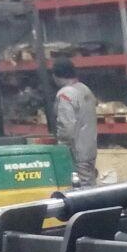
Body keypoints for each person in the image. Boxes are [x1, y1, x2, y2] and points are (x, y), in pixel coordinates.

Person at [52, 57, 98, 186]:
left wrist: (61, 150)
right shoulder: (84, 89)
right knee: (89, 184)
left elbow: (67, 127)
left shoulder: (65, 94)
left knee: (81, 189)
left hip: (76, 152)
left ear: (55, 76)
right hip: (89, 148)